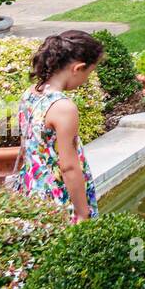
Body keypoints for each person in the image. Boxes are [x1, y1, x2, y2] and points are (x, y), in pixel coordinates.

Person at [13, 31, 105, 222]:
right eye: (89, 72)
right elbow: (69, 167)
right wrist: (82, 212)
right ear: (77, 68)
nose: (87, 79)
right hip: (59, 198)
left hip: (32, 190)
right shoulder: (63, 108)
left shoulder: (29, 94)